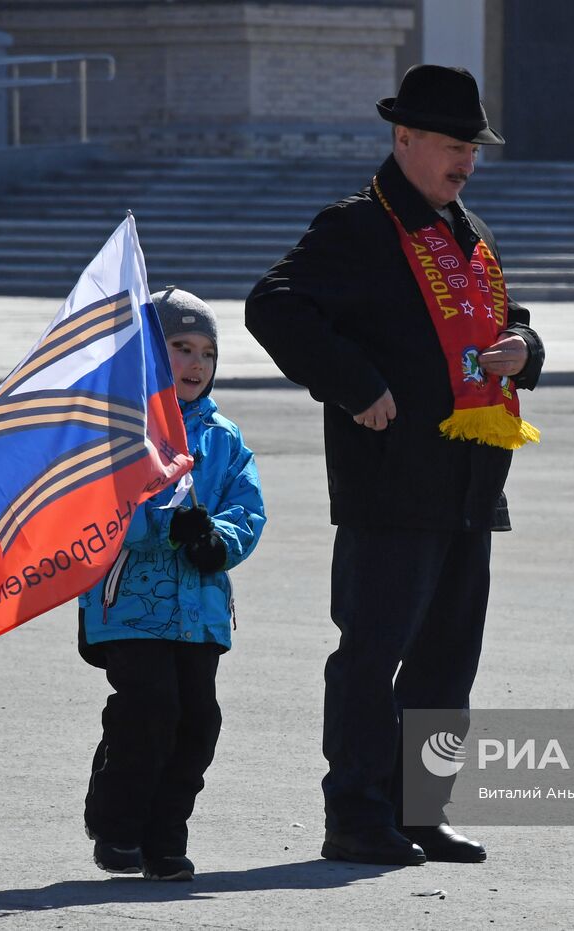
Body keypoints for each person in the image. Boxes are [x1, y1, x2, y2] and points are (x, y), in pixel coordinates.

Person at [244, 64, 544, 866]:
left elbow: (504, 320)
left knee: (449, 660)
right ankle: (356, 813)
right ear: (403, 138)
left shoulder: (468, 229)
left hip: (472, 480)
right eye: (453, 145)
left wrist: (527, 348)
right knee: (373, 654)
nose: (465, 162)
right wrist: (355, 384)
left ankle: (422, 810)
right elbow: (273, 305)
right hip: (390, 480)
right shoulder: (357, 228)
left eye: (472, 148)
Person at [77, 287, 266, 881]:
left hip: (201, 606)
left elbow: (247, 505)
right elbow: (94, 509)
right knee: (151, 708)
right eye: (180, 348)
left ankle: (165, 837)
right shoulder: (117, 430)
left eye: (207, 352)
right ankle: (118, 825)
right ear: (149, 358)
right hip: (129, 602)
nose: (195, 364)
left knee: (197, 719)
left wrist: (220, 540)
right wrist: (165, 523)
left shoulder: (223, 435)